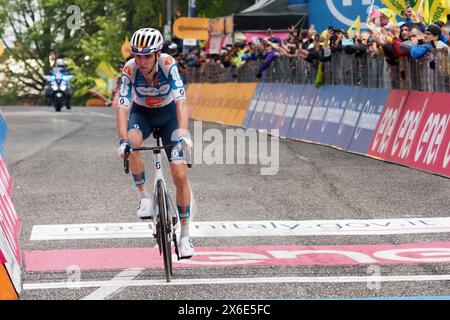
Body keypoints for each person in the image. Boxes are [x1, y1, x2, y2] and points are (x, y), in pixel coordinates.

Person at [116, 28, 195, 259]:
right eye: (137, 55)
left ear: (157, 54)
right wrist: (123, 141)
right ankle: (144, 198)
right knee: (132, 142)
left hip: (169, 116)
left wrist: (182, 134)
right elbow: (123, 107)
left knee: (180, 176)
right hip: (143, 116)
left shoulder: (169, 64)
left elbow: (181, 102)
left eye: (147, 56)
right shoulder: (130, 69)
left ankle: (185, 236)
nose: (141, 61)